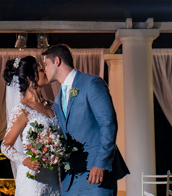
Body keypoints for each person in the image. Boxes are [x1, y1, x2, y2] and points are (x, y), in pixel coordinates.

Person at [41, 44, 128, 196]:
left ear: (57, 61)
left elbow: (108, 124)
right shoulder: (57, 99)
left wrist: (100, 163)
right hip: (70, 181)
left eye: (45, 64)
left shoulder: (92, 84)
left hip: (96, 176)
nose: (44, 70)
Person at [1, 56, 62, 196]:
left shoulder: (51, 105)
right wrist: (25, 160)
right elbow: (5, 145)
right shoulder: (22, 109)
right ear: (31, 76)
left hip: (53, 177)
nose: (45, 72)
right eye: (41, 69)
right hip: (33, 179)